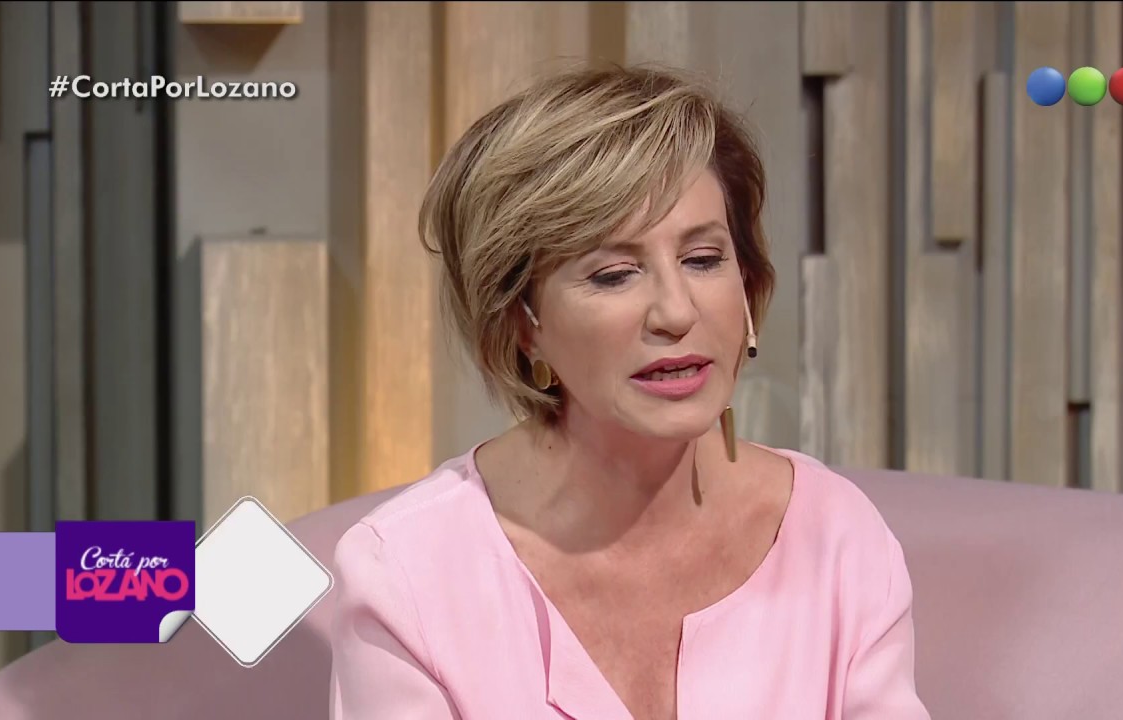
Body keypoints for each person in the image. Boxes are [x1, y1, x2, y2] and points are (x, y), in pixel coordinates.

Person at [329, 64, 930, 720]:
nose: (676, 311)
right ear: (521, 323)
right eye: (614, 274)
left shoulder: (837, 538)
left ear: (748, 285)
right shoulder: (408, 573)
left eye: (703, 260)